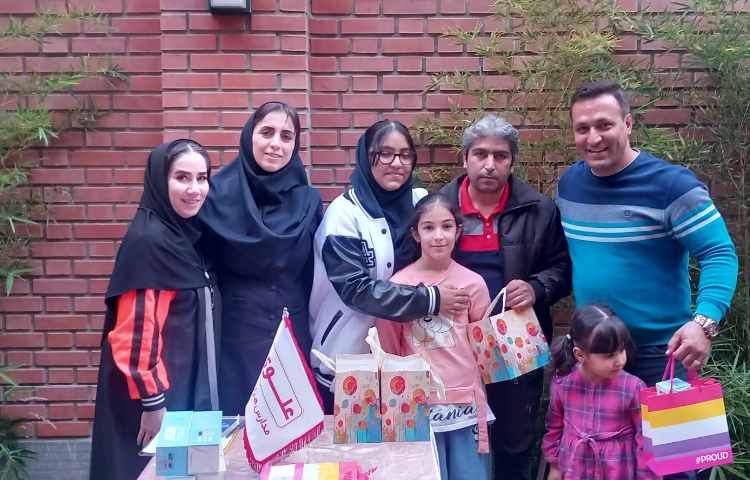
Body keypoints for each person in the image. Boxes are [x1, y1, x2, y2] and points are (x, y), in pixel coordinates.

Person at [557, 80, 739, 480]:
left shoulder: (672, 186)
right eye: (582, 128)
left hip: (664, 355)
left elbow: (719, 254)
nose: (593, 138)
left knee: (678, 470)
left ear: (627, 123)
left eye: (604, 125)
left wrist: (704, 323)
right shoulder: (570, 185)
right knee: (604, 467)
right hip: (595, 354)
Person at [439, 114, 572, 480]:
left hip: (514, 342)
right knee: (459, 441)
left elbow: (563, 269)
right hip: (453, 344)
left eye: (500, 156)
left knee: (515, 442)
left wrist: (536, 288)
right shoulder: (440, 208)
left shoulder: (539, 209)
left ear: (512, 162)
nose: (489, 164)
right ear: (465, 158)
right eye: (480, 154)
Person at [309, 120, 471, 413]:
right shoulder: (344, 215)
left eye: (405, 155)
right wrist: (431, 299)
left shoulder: (421, 203)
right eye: (385, 154)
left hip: (411, 360)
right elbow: (356, 290)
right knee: (358, 440)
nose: (396, 163)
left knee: (407, 440)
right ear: (366, 156)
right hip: (351, 354)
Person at [90, 140, 220, 480]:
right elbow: (134, 333)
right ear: (161, 181)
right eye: (182, 178)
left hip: (180, 392)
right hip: (154, 404)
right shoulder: (150, 242)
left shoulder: (184, 235)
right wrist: (153, 404)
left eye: (202, 178)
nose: (194, 189)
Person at [199, 101, 322, 416]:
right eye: (267, 132)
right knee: (239, 422)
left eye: (286, 136)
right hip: (235, 334)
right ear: (248, 135)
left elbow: (313, 275)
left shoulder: (308, 201)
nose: (275, 144)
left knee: (290, 421)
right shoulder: (215, 197)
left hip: (291, 330)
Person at [377, 193, 491, 480]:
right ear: (416, 234)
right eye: (428, 227)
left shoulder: (473, 283)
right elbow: (389, 351)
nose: (438, 236)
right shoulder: (398, 287)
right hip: (416, 403)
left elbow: (484, 349)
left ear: (458, 231)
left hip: (465, 402)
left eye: (446, 226)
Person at [542, 305, 658, 480]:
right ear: (580, 354)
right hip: (574, 470)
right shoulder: (562, 383)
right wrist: (555, 466)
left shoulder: (633, 388)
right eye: (609, 355)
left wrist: (647, 477)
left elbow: (646, 439)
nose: (619, 360)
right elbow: (554, 427)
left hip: (617, 471)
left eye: (622, 350)